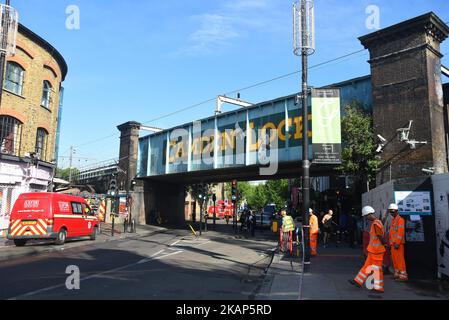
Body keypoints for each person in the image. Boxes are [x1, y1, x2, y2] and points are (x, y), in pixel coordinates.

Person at [349, 206, 387, 293]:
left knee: (377, 269)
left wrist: (385, 244)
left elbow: (380, 236)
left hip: (377, 251)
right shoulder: (376, 222)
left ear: (370, 214)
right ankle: (358, 281)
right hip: (373, 250)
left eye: (366, 216)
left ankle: (379, 287)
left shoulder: (376, 224)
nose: (366, 218)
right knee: (367, 266)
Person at [388, 204, 408, 281]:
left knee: (400, 260)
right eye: (390, 212)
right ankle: (397, 273)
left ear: (396, 211)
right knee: (395, 260)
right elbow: (392, 233)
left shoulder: (400, 220)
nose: (391, 213)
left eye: (392, 211)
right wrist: (391, 243)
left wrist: (397, 243)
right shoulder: (394, 220)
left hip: (397, 244)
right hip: (393, 244)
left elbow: (400, 232)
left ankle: (403, 275)